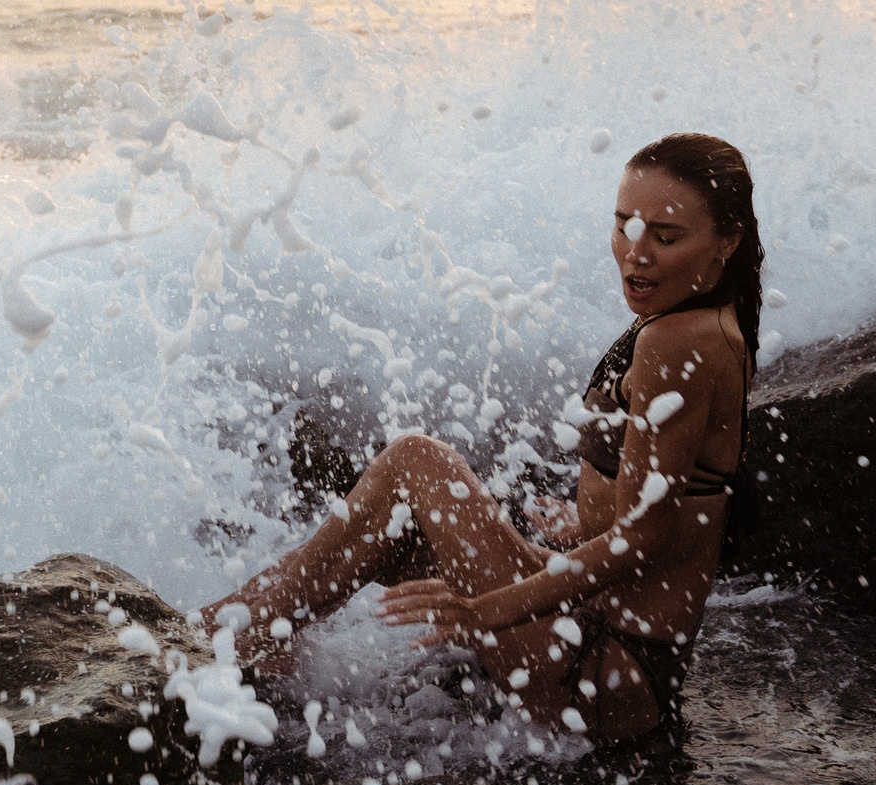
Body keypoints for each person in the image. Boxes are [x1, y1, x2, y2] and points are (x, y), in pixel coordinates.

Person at [209, 133, 763, 746]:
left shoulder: (677, 341)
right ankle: (258, 651)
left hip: (603, 680)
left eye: (665, 237)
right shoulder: (698, 317)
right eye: (625, 226)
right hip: (598, 647)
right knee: (398, 530)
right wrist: (581, 531)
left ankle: (217, 640)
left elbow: (640, 543)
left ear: (728, 240)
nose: (636, 254)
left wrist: (482, 613)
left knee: (416, 462)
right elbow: (671, 517)